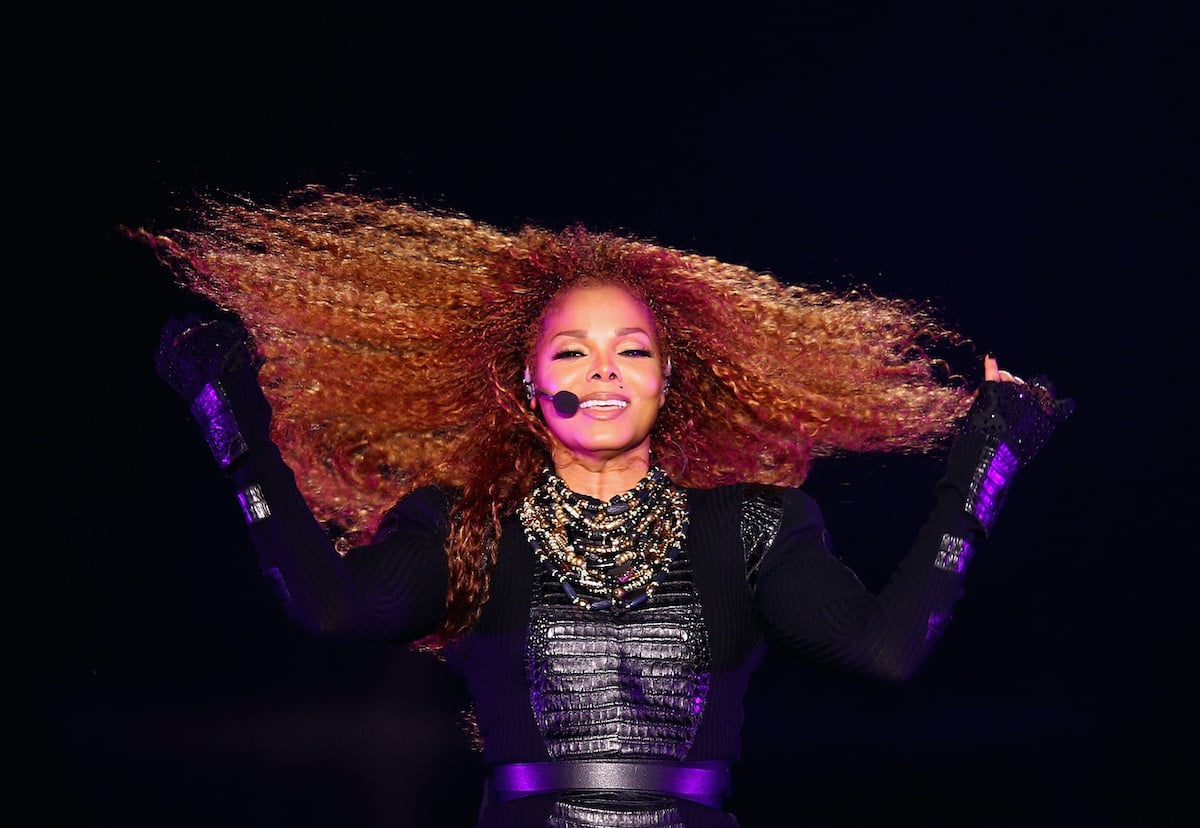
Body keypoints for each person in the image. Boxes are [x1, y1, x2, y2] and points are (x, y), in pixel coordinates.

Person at [131, 184, 1073, 828]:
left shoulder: (755, 529)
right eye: (573, 350)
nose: (605, 370)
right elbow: (333, 609)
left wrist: (985, 466)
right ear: (528, 383)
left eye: (631, 349)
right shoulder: (465, 529)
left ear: (669, 378)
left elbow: (884, 650)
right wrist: (232, 423)